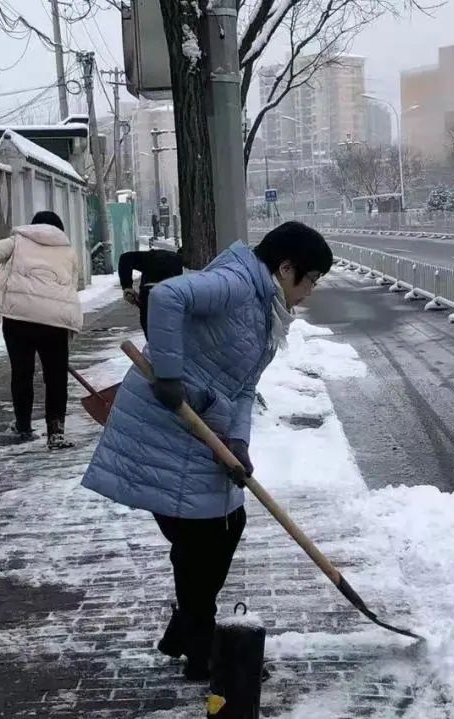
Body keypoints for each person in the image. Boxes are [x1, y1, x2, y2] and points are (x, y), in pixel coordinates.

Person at [81, 222, 332, 680]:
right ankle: (201, 646)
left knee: (225, 524)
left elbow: (242, 387)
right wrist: (171, 375)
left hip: (198, 429)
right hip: (162, 422)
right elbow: (167, 297)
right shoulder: (236, 284)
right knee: (200, 536)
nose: (311, 291)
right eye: (311, 279)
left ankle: (187, 629)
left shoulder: (264, 311)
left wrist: (238, 442)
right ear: (286, 267)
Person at [0, 210, 83, 450]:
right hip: (54, 322)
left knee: (21, 372)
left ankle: (23, 426)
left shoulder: (18, 240)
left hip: (18, 318)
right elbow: (71, 286)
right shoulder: (68, 250)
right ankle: (55, 432)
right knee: (56, 377)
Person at [118, 246, 184, 338]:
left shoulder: (152, 256)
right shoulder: (183, 263)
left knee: (151, 335)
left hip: (149, 294)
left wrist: (127, 287)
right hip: (171, 298)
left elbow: (125, 258)